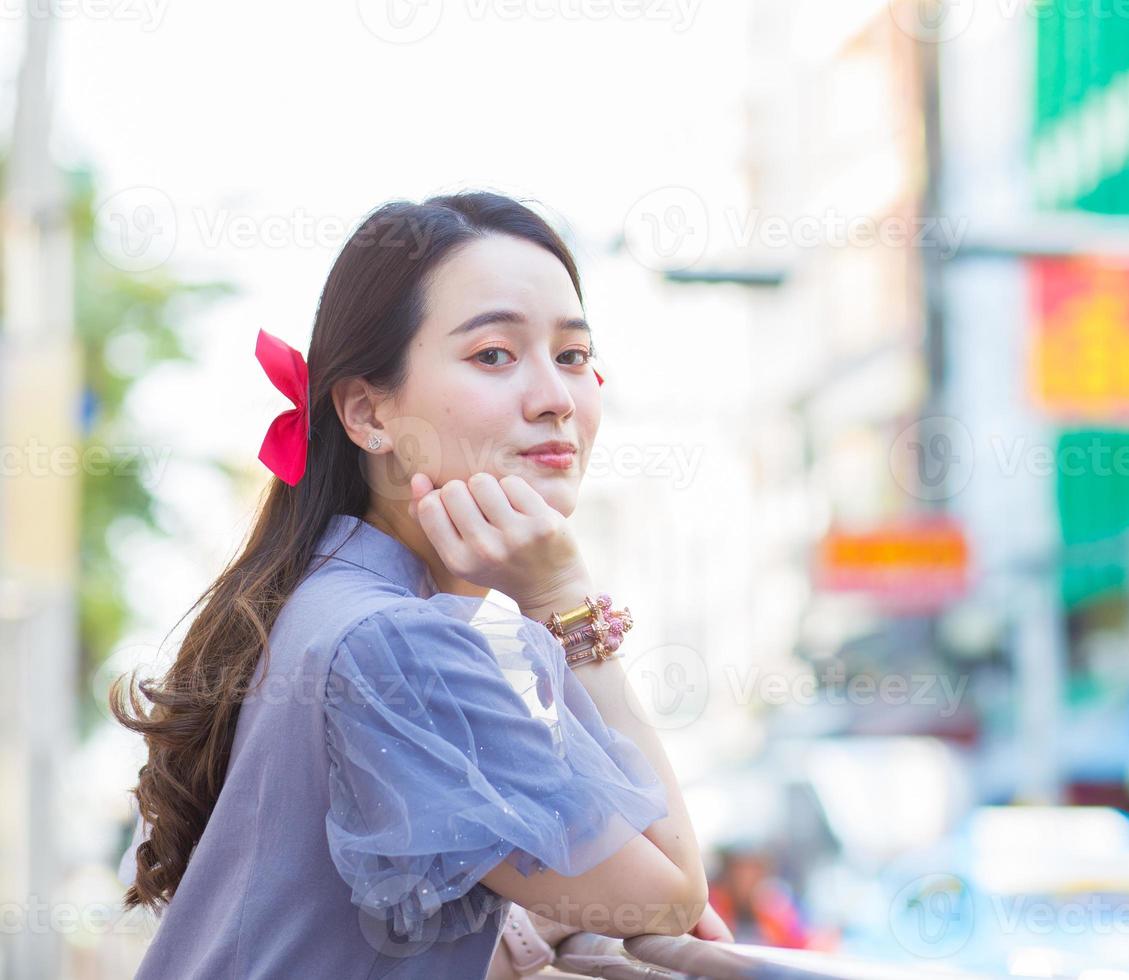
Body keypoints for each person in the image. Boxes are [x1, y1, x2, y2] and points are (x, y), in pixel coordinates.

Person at [111, 191, 730, 978]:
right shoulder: (395, 644)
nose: (555, 400)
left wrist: (544, 927)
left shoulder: (325, 598)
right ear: (367, 413)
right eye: (494, 356)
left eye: (571, 356)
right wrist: (565, 604)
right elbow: (674, 895)